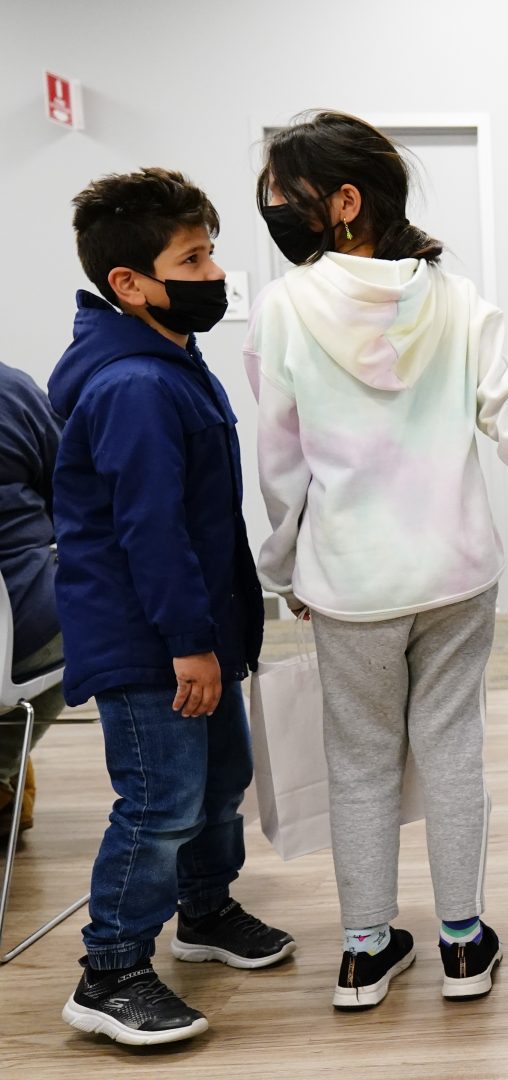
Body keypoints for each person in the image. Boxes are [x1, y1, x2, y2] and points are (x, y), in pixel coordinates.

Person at [247, 111, 508, 1012]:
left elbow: (280, 467)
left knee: (358, 761)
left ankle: (364, 952)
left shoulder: (282, 310)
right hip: (457, 575)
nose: (270, 210)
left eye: (280, 195)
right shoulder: (456, 300)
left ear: (343, 203)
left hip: (350, 584)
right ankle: (463, 945)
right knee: (453, 754)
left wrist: (283, 569)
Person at [51, 169, 293, 1047]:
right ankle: (109, 970)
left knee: (219, 782)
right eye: (191, 257)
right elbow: (149, 531)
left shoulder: (168, 360)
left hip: (194, 632)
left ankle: (204, 911)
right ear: (130, 283)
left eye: (211, 251)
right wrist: (190, 643)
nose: (214, 270)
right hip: (151, 640)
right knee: (158, 805)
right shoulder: (134, 385)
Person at [0, 361, 63, 836]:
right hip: (20, 637)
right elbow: (70, 495)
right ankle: (2, 774)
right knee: (98, 616)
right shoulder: (11, 392)